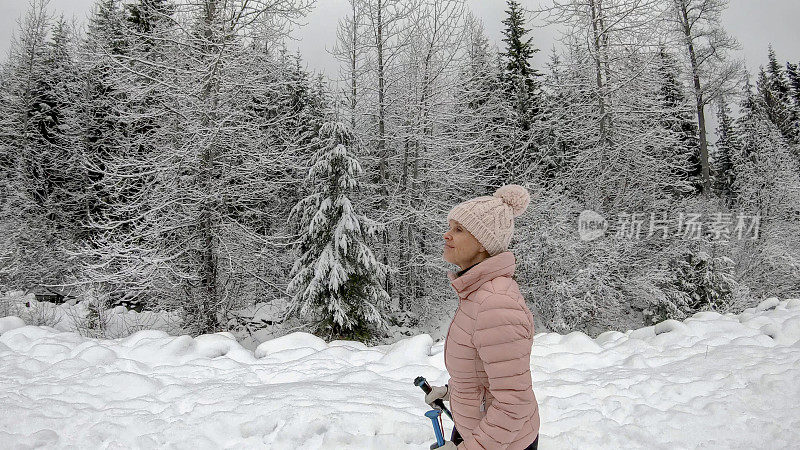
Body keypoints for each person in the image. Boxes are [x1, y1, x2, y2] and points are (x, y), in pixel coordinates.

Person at [425, 184, 540, 450]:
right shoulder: (477, 294)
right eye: (450, 226)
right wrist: (452, 392)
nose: (446, 235)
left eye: (458, 230)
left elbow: (513, 403)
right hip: (482, 433)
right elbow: (484, 376)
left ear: (482, 244)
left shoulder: (495, 304)